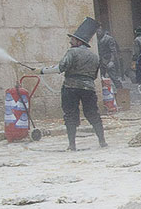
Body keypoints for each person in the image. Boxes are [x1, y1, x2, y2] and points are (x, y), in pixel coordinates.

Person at [39, 18, 107, 151]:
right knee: (93, 114)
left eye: (73, 39)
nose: (70, 42)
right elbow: (94, 76)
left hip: (70, 88)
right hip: (89, 88)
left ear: (79, 42)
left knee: (70, 115)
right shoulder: (95, 57)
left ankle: (72, 144)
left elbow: (61, 67)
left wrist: (42, 71)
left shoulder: (72, 52)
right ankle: (102, 141)